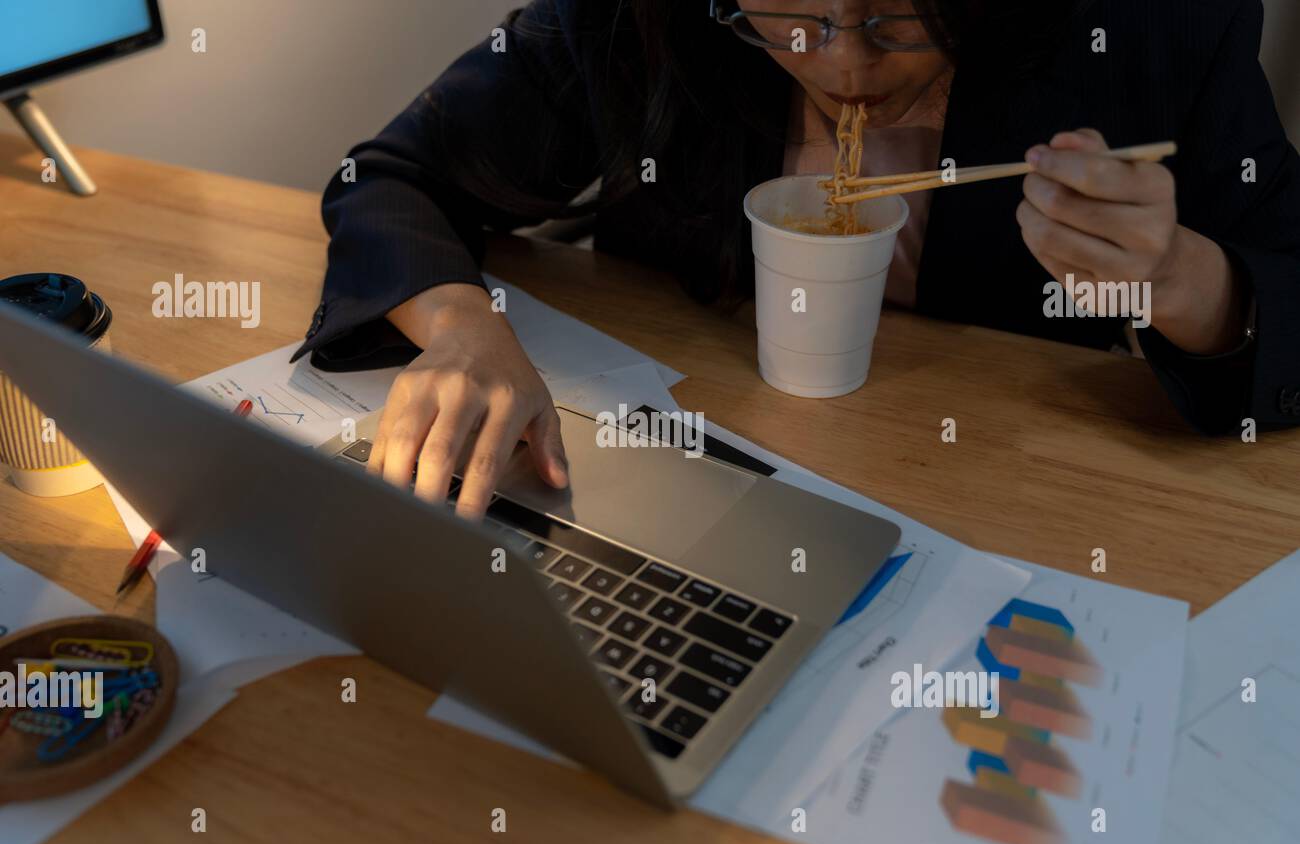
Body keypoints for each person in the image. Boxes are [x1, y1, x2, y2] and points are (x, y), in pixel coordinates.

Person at [292, 0, 1300, 518]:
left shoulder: (1152, 28)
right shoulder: (635, 19)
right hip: (688, 487)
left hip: (1023, 510)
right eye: (793, 19)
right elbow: (389, 175)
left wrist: (1187, 282)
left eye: (900, 19)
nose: (844, 66)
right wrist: (466, 329)